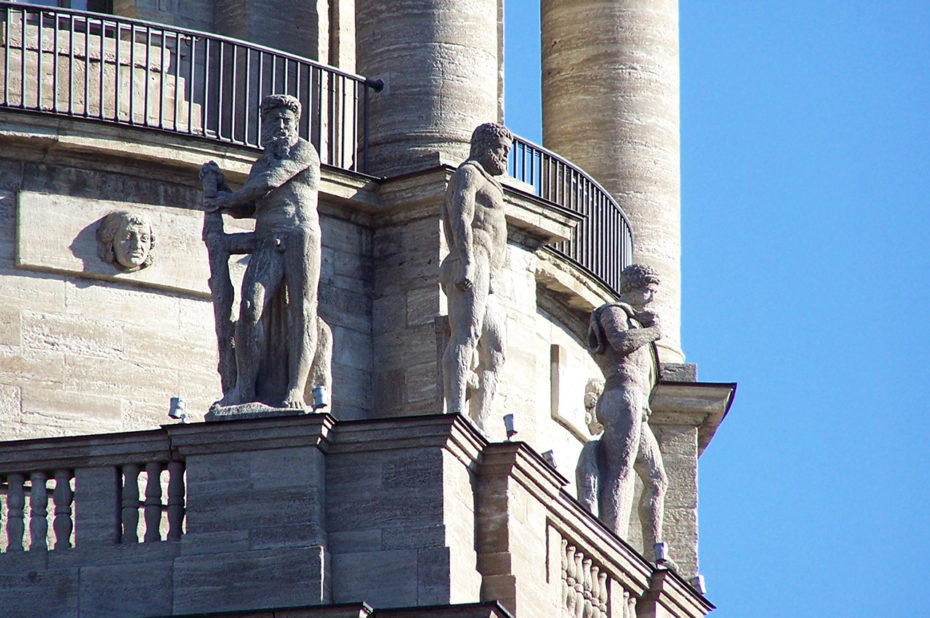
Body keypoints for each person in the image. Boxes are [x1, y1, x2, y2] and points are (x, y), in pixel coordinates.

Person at [202, 94, 321, 409]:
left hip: (300, 235)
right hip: (267, 239)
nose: (281, 126)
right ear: (264, 127)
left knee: (303, 310)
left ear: (296, 125)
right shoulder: (261, 162)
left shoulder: (304, 151)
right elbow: (248, 206)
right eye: (274, 121)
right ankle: (244, 389)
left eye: (287, 120)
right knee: (250, 306)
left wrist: (226, 200)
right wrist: (221, 190)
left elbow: (272, 182)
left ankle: (295, 389)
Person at [583, 263, 668, 560]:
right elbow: (619, 342)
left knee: (657, 480)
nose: (651, 297)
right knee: (620, 471)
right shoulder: (613, 311)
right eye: (647, 291)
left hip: (636, 406)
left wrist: (643, 326)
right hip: (621, 399)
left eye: (654, 292)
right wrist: (652, 331)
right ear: (632, 288)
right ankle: (613, 541)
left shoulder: (633, 320)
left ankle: (654, 550)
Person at [440, 122, 513, 433]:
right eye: (501, 149)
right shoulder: (469, 173)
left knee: (496, 348)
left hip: (490, 272)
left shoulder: (491, 183)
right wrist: (467, 260)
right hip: (471, 260)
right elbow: (460, 216)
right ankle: (456, 408)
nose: (505, 157)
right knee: (466, 334)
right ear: (484, 146)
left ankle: (480, 420)